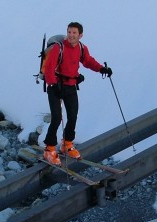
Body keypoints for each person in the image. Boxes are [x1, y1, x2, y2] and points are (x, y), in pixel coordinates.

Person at [42, 21, 112, 165]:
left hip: (71, 86)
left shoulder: (81, 48)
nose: (71, 35)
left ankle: (66, 144)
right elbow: (49, 68)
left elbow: (88, 61)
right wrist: (53, 84)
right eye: (69, 32)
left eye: (74, 33)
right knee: (56, 118)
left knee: (73, 116)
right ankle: (49, 149)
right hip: (55, 86)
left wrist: (101, 69)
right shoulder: (58, 47)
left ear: (80, 35)